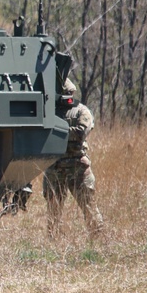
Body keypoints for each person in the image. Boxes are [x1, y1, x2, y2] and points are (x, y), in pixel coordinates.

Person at [43, 79, 103, 240]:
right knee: (53, 211)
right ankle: (53, 242)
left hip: (78, 167)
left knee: (89, 207)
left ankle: (96, 240)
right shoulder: (50, 110)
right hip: (55, 166)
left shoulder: (82, 111)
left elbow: (80, 133)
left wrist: (55, 131)